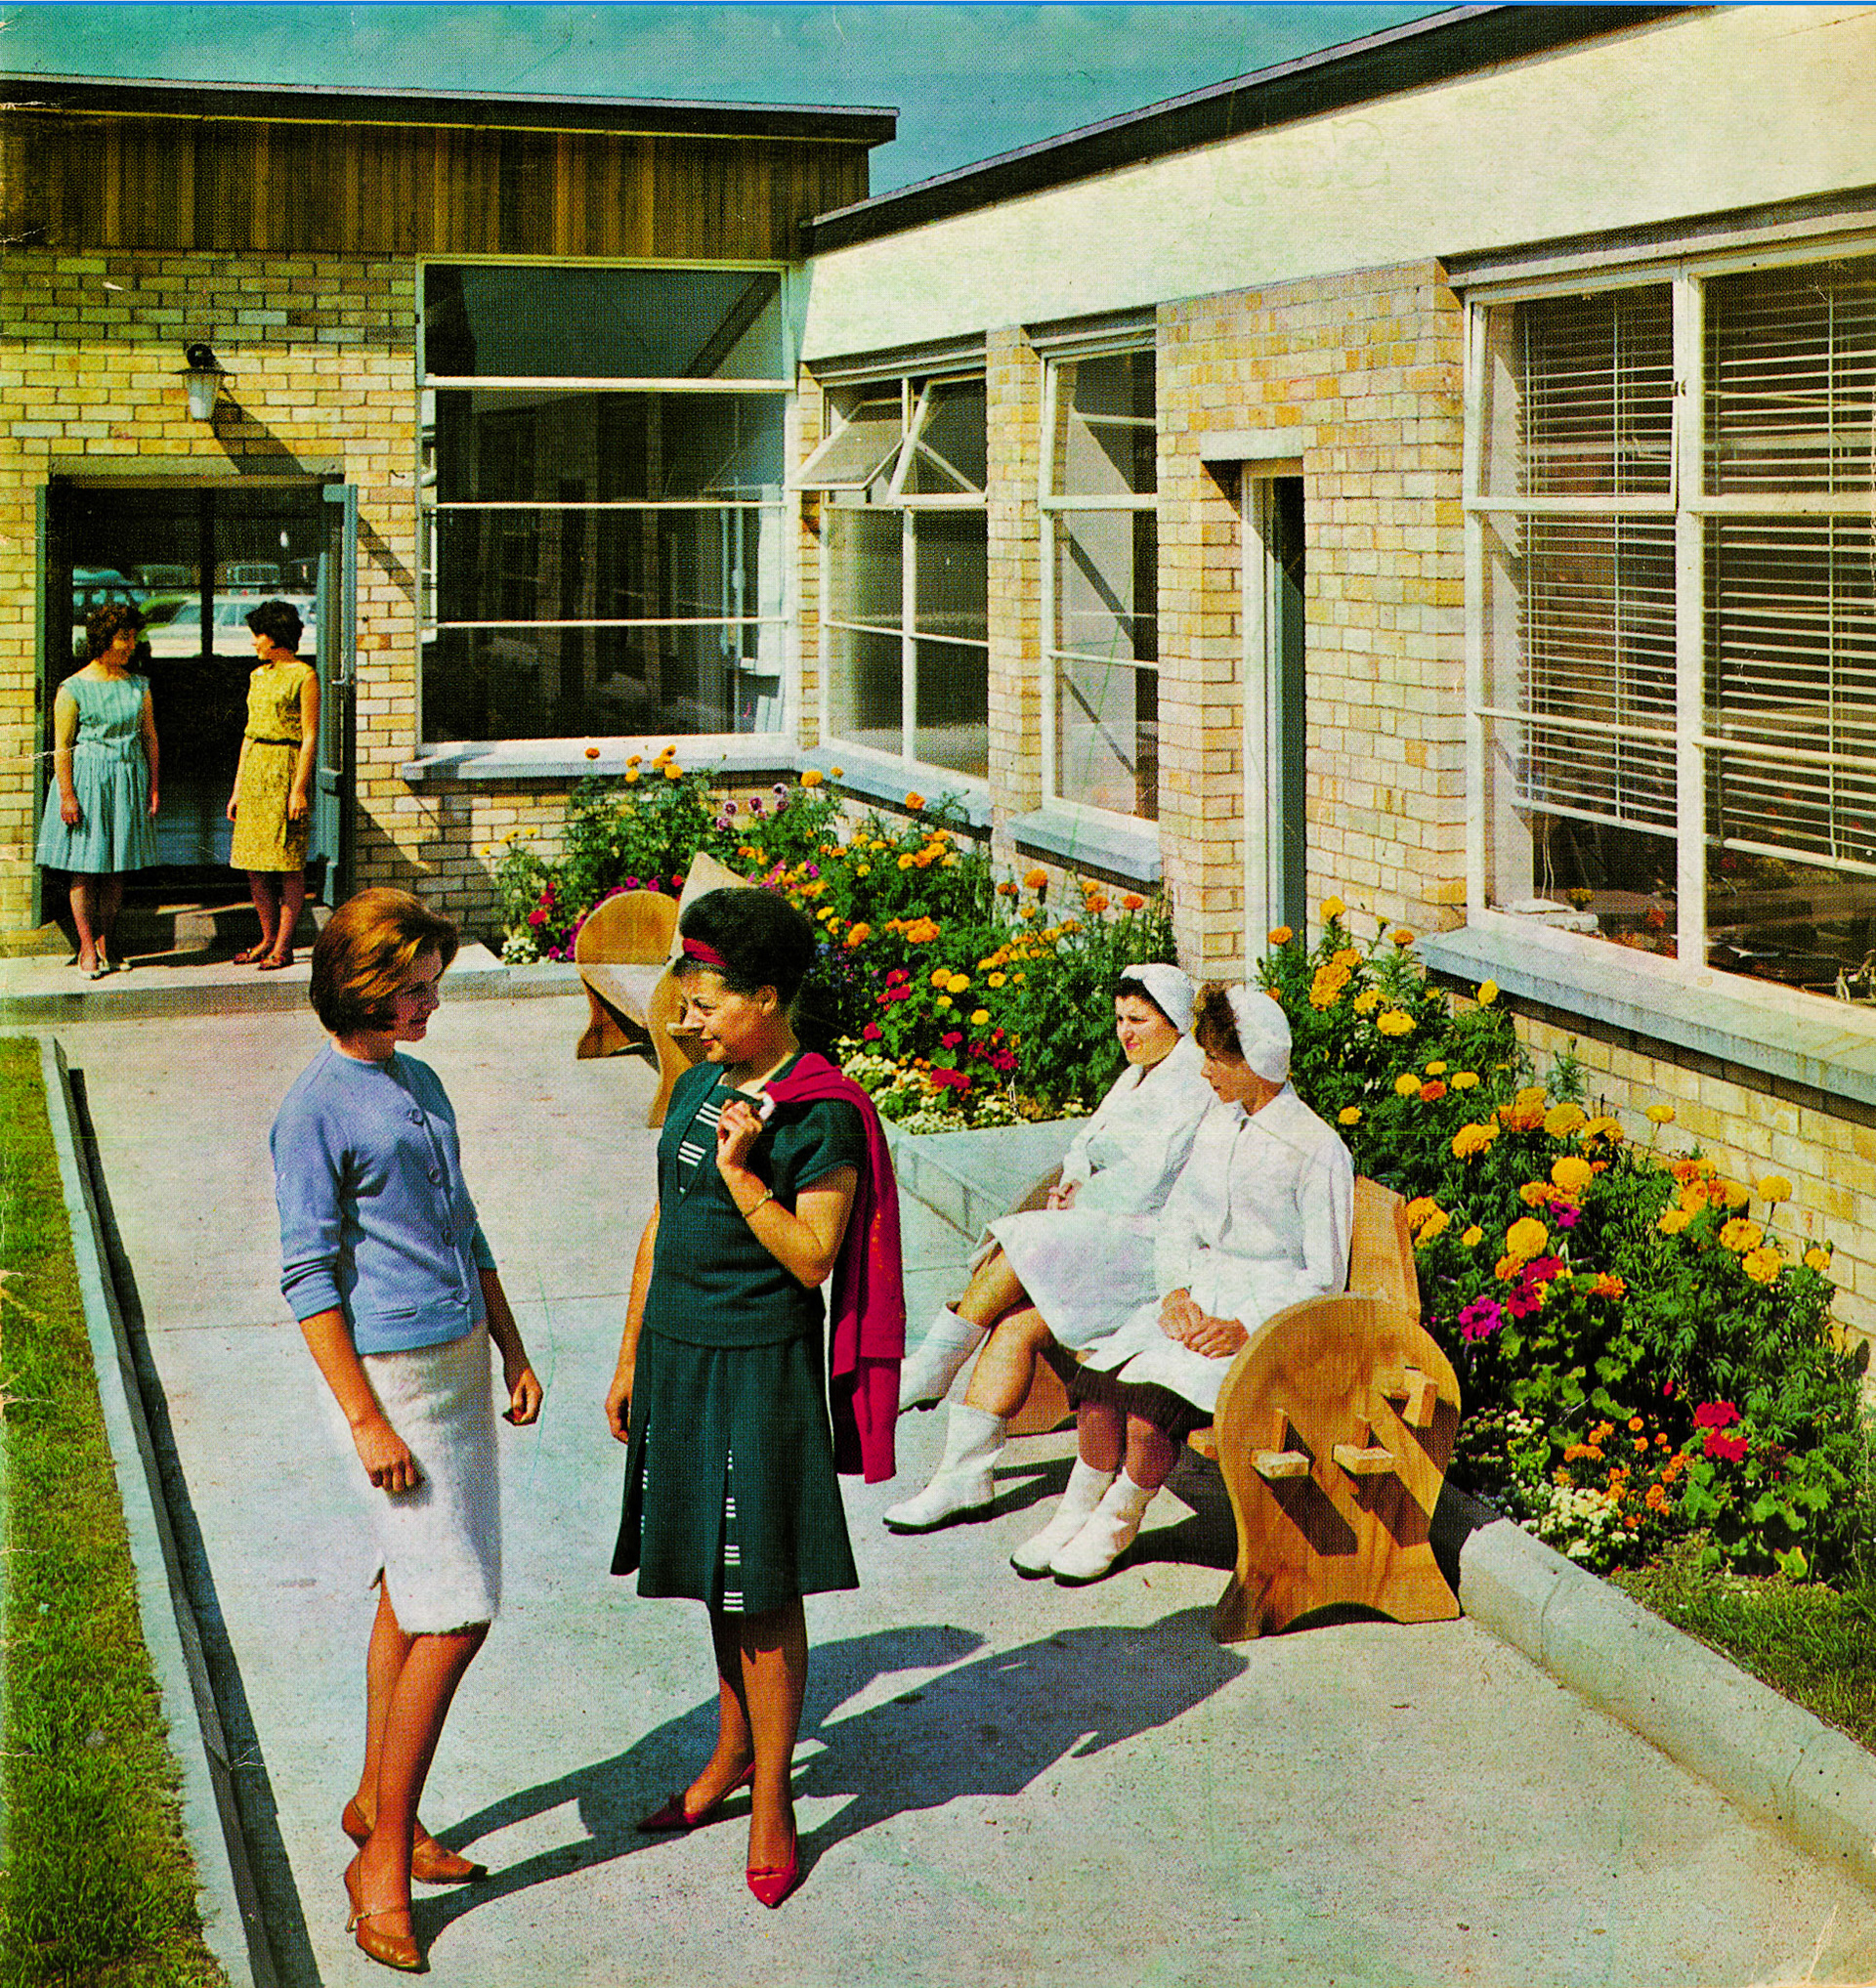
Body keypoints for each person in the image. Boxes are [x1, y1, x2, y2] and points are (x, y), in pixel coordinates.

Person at [605, 887, 903, 1911]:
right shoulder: (700, 1084)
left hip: (756, 1364)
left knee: (762, 1584)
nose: (690, 1019)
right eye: (686, 999)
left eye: (710, 1000)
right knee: (711, 1568)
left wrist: (744, 1178)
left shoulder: (820, 1113)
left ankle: (773, 1795)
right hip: (682, 1355)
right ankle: (732, 1749)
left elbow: (813, 1257)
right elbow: (660, 1222)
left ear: (770, 997)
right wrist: (631, 1351)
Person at [271, 888, 542, 1974]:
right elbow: (307, 1276)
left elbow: (462, 1224)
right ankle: (378, 1862)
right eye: (413, 990)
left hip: (461, 1359)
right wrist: (366, 1418)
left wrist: (513, 1345)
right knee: (459, 1610)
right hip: (391, 1380)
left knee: (412, 1591)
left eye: (434, 987)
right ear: (361, 986)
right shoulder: (316, 1107)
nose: (429, 1007)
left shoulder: (418, 1081)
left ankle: (375, 1804)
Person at [1028, 980, 1354, 1586]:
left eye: (1215, 1059)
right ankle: (1076, 1510)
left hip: (1263, 1324)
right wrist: (1175, 1290)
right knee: (1099, 1384)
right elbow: (1178, 1219)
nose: (1203, 1072)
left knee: (1151, 1410)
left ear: (1255, 1063)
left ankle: (1118, 1521)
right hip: (1199, 1295)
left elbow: (1324, 1276)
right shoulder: (1220, 1125)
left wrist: (1244, 1329)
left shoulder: (1317, 1148)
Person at [882, 964, 1214, 1537]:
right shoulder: (1137, 1074)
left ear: (1175, 1022)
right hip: (1105, 1231)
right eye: (1119, 1020)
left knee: (1021, 1240)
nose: (1126, 1033)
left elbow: (1154, 1177)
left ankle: (935, 1366)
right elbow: (1087, 1143)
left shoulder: (1190, 1082)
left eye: (1139, 1019)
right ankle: (962, 1477)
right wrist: (1072, 1181)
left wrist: (1084, 1196)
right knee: (1014, 1324)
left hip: (1151, 1250)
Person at [35, 601, 159, 977]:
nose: (131, 645)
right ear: (104, 640)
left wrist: (153, 787)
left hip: (127, 780)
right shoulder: (72, 689)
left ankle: (108, 942)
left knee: (116, 868)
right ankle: (87, 948)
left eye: (134, 637)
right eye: (124, 638)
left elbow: (151, 738)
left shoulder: (139, 686)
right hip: (87, 782)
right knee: (86, 870)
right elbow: (62, 746)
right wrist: (67, 795)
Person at [228, 598, 319, 968]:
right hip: (255, 770)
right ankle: (266, 938)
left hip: (285, 768)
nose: (254, 643)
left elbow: (311, 735)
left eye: (258, 635)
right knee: (254, 862)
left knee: (286, 863)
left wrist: (298, 788)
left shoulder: (304, 676)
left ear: (276, 638)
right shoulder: (257, 676)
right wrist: (236, 789)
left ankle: (284, 945)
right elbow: (249, 735)